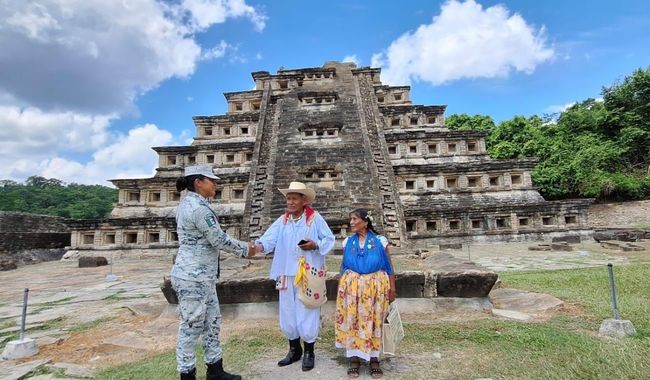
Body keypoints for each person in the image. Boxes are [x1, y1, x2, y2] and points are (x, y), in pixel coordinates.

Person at [171, 164, 255, 380]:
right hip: (192, 277)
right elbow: (218, 239)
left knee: (212, 323)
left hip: (202, 276)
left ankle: (215, 370)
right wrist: (248, 249)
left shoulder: (190, 205)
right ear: (198, 182)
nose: (215, 184)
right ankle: (187, 374)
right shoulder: (198, 209)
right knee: (190, 327)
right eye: (212, 180)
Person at [251, 181, 335, 371]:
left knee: (307, 309)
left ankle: (309, 351)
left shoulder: (315, 219)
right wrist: (257, 247)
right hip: (286, 273)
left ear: (303, 200)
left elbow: (329, 239)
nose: (290, 202)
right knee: (287, 311)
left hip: (307, 274)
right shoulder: (283, 220)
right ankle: (294, 349)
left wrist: (314, 245)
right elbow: (268, 239)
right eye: (288, 198)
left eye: (294, 199)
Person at [335, 208, 396, 379]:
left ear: (365, 221)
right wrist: (341, 287)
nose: (351, 222)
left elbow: (389, 266)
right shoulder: (348, 242)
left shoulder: (380, 241)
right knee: (353, 320)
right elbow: (343, 266)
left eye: (355, 219)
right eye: (350, 219)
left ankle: (374, 359)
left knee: (375, 320)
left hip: (375, 288)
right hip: (352, 289)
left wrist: (393, 288)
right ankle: (354, 358)